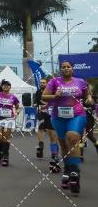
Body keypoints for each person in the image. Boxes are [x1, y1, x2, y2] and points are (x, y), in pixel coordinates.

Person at [42, 61, 90, 195]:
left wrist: (90, 98)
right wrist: (54, 96)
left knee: (72, 137)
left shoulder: (80, 81)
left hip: (77, 115)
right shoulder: (54, 81)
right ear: (60, 69)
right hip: (58, 117)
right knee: (63, 145)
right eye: (63, 67)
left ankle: (75, 172)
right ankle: (67, 170)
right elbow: (44, 96)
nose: (66, 68)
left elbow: (87, 95)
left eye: (68, 66)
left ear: (72, 69)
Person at [0, 80, 20, 167]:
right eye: (4, 85)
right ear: (2, 87)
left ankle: (5, 157)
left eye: (8, 85)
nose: (6, 86)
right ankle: (1, 151)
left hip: (9, 119)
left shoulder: (13, 97)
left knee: (6, 138)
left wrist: (16, 113)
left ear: (10, 87)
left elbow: (18, 107)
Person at [33, 77, 59, 171]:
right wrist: (37, 104)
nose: (42, 84)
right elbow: (36, 101)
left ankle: (55, 153)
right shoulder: (38, 91)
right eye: (41, 82)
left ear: (47, 83)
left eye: (44, 82)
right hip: (42, 112)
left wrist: (46, 103)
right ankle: (40, 145)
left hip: (52, 113)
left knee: (52, 133)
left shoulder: (51, 90)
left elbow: (55, 99)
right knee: (40, 127)